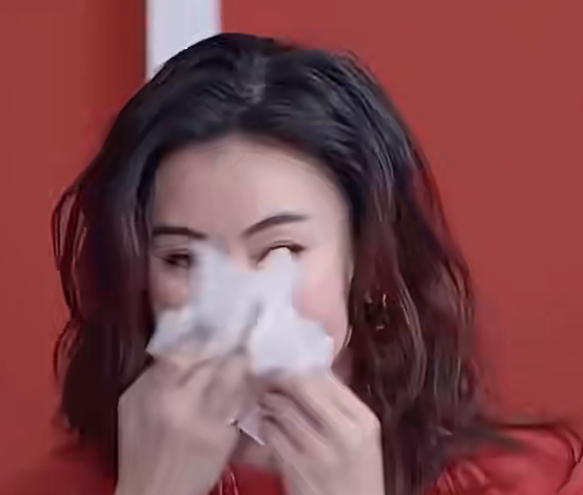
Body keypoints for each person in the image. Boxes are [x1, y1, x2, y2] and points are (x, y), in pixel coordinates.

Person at [5, 33, 583, 495]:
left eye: (280, 252)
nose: (238, 306)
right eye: (182, 258)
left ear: (367, 264)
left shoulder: (538, 482)